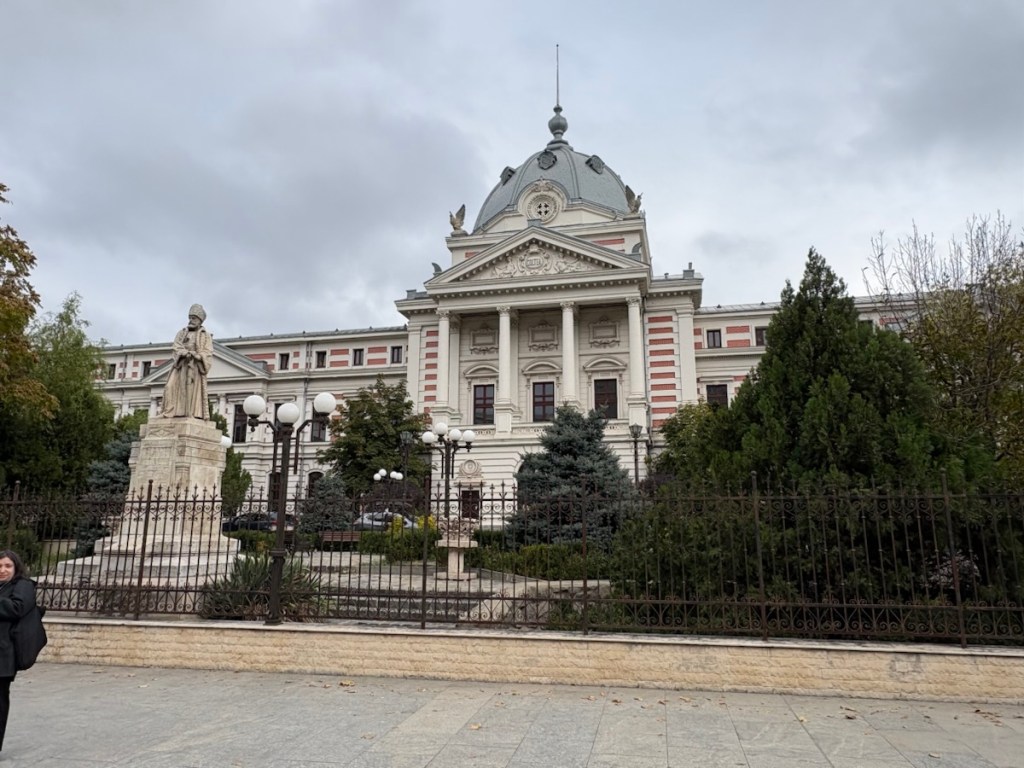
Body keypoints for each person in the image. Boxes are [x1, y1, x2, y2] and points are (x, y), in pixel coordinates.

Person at [0, 550, 36, 753]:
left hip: (4, 654)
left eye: (7, 566)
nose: (3, 570)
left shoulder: (23, 585)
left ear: (16, 568)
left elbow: (17, 608)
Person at [160, 303, 213, 419]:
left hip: (195, 367)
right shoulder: (182, 332)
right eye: (190, 318)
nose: (191, 320)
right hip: (180, 365)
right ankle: (168, 412)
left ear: (200, 320)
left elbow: (208, 351)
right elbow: (176, 347)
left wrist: (199, 356)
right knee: (169, 387)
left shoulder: (205, 335)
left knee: (191, 391)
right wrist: (183, 353)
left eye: (194, 318)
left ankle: (190, 413)